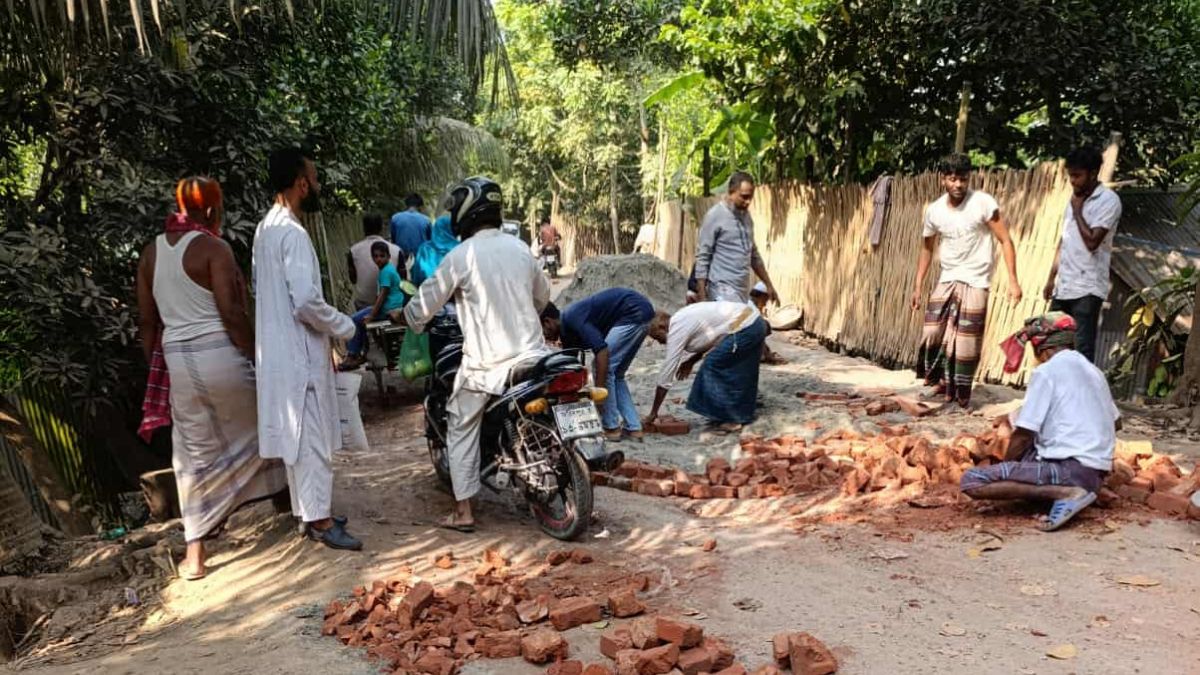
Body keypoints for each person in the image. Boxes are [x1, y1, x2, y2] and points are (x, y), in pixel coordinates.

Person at [136, 176, 287, 580]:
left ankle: (196, 554)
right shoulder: (214, 249)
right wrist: (258, 357)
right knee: (266, 426)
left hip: (179, 364)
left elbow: (148, 323)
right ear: (212, 209)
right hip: (221, 355)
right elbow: (232, 313)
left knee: (192, 454)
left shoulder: (150, 253)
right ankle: (291, 509)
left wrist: (162, 369)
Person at [403, 177, 550, 533]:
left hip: (488, 364)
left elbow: (423, 306)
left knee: (460, 422)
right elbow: (542, 297)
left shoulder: (461, 256)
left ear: (465, 212)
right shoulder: (520, 249)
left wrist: (409, 316)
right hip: (532, 354)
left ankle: (464, 511)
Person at [253, 148, 362, 551]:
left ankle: (307, 512)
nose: (316, 186)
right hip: (299, 357)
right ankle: (320, 520)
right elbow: (305, 302)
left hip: (280, 355)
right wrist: (344, 325)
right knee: (311, 440)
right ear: (302, 183)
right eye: (313, 179)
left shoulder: (265, 230)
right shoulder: (293, 235)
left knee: (297, 442)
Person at [961, 312, 1120, 531]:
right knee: (1034, 452)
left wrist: (1009, 466)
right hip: (1096, 472)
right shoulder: (1094, 372)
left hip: (1071, 470)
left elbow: (1024, 433)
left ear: (1041, 349)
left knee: (973, 479)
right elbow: (1116, 422)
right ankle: (1073, 491)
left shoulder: (1047, 372)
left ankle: (1066, 493)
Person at [911, 153, 1022, 408]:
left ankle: (959, 392)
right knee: (932, 331)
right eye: (952, 179)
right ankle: (938, 381)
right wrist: (918, 285)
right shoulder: (935, 211)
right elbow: (926, 248)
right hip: (948, 275)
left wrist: (1013, 280)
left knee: (966, 342)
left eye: (963, 179)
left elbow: (1005, 240)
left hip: (976, 278)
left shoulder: (982, 203)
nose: (958, 184)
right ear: (943, 180)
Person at [540, 288, 670, 442]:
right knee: (617, 375)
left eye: (541, 331)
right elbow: (570, 368)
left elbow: (602, 352)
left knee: (603, 366)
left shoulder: (572, 318)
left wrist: (599, 398)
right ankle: (634, 428)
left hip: (633, 312)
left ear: (547, 321)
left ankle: (611, 427)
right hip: (640, 314)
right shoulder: (567, 332)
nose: (544, 336)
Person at [1042, 147, 1123, 363]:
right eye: (1070, 175)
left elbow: (1092, 242)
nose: (1073, 181)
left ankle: (1080, 396)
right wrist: (1051, 279)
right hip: (1064, 286)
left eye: (1077, 176)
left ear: (1094, 172)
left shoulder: (1108, 201)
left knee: (1081, 349)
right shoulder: (1074, 198)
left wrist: (1078, 211)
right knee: (1052, 344)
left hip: (1087, 288)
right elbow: (1065, 239)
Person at [643, 300, 768, 434]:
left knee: (713, 366)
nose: (660, 343)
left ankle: (733, 419)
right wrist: (691, 361)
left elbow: (667, 373)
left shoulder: (676, 329)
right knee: (738, 369)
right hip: (753, 323)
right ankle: (738, 411)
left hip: (746, 326)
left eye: (657, 337)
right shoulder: (681, 319)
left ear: (662, 327)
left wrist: (653, 412)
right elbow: (712, 339)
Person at [693, 171, 780, 305]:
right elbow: (703, 256)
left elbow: (753, 255)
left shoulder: (747, 218)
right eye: (744, 197)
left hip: (741, 292)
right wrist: (702, 295)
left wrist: (768, 284)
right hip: (721, 290)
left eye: (751, 197)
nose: (748, 202)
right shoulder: (715, 216)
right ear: (731, 192)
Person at [340, 241, 407, 371]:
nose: (378, 259)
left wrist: (372, 315)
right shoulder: (388, 269)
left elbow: (383, 295)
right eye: (375, 256)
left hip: (388, 309)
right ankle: (362, 352)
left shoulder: (385, 272)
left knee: (354, 319)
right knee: (360, 317)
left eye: (382, 256)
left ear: (388, 256)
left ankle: (353, 354)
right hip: (391, 307)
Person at [346, 213, 401, 311]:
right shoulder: (396, 250)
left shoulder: (353, 251)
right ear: (381, 227)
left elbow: (353, 279)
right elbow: (402, 281)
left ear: (364, 228)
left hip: (364, 304)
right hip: (391, 305)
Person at [750, 282, 786, 365]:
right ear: (762, 297)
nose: (765, 303)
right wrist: (768, 355)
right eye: (766, 300)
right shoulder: (753, 311)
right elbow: (760, 339)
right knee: (763, 324)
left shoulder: (749, 304)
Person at [390, 193, 432, 263]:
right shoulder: (426, 220)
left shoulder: (395, 218)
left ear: (406, 204)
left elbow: (393, 240)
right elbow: (430, 242)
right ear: (420, 206)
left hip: (401, 259)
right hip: (420, 260)